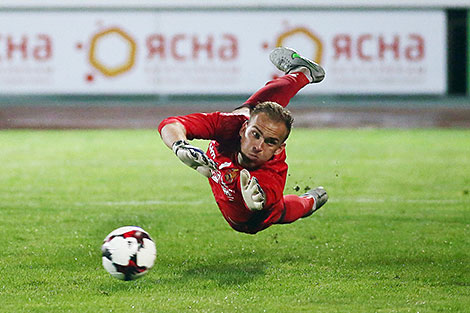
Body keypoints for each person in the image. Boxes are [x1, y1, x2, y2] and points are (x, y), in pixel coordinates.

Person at [158, 47, 328, 234]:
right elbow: (170, 124)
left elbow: (263, 198)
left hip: (250, 220)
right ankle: (303, 74)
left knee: (279, 210)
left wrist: (258, 201)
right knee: (249, 110)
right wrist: (179, 146)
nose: (258, 146)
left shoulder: (272, 174)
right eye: (255, 134)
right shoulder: (232, 124)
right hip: (228, 152)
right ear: (243, 128)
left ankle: (310, 202)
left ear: (279, 149)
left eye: (270, 142)